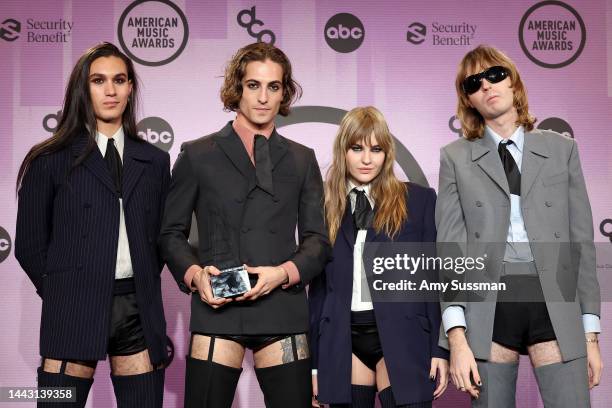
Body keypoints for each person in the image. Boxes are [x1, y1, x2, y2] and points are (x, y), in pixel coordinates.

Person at [158, 42, 331, 408]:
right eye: (253, 85)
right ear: (237, 87)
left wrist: (282, 273)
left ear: (284, 92)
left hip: (282, 305)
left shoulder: (302, 159)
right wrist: (194, 276)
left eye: (274, 86)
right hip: (219, 306)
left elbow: (318, 241)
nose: (264, 97)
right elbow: (170, 233)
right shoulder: (198, 153)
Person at [436, 44, 602, 407]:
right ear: (468, 100)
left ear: (514, 83)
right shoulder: (455, 158)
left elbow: (581, 245)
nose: (487, 86)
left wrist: (590, 335)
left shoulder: (563, 150)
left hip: (554, 298)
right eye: (474, 83)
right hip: (488, 306)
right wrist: (457, 338)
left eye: (495, 75)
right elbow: (451, 251)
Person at [15, 42, 171, 408]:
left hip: (138, 311)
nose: (110, 90)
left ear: (131, 86)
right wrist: (67, 291)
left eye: (119, 80)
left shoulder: (155, 161)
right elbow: (30, 246)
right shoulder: (49, 159)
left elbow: (162, 239)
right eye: (99, 80)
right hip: (72, 308)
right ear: (83, 88)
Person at [309, 106, 449, 408]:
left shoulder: (419, 200)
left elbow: (433, 280)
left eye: (376, 149)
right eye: (357, 148)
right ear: (342, 150)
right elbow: (317, 292)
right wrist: (315, 364)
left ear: (387, 153)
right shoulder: (322, 205)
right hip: (341, 339)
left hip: (404, 335)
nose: (367, 159)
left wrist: (441, 349)